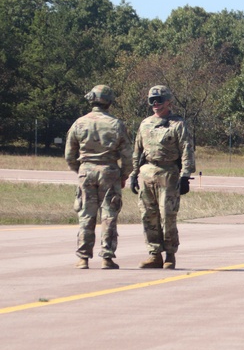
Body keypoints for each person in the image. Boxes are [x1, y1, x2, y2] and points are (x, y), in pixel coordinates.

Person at [64, 85, 134, 269]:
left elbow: (69, 155)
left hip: (86, 171)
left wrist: (80, 170)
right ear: (109, 101)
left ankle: (83, 258)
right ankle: (107, 257)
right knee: (109, 215)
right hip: (109, 171)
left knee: (86, 215)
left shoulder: (79, 123)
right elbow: (128, 155)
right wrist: (123, 175)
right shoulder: (116, 124)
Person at [128, 85, 195, 269]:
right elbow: (137, 151)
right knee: (148, 215)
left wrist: (185, 176)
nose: (155, 104)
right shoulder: (145, 123)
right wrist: (134, 174)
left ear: (168, 102)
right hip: (147, 173)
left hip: (169, 174)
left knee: (168, 216)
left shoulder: (177, 124)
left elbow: (187, 151)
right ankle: (154, 253)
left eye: (159, 100)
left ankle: (170, 255)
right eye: (152, 100)